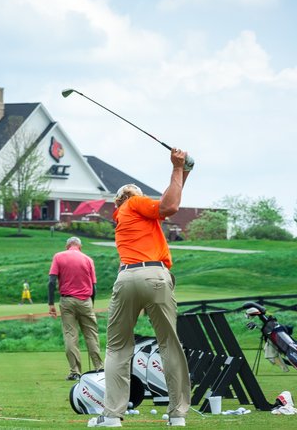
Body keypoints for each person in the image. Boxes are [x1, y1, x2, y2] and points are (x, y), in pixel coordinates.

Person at [88, 148, 192, 428]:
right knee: (169, 345)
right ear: (130, 197)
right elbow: (170, 207)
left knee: (118, 348)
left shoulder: (124, 215)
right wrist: (175, 167)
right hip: (156, 275)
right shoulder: (135, 204)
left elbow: (171, 198)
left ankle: (111, 416)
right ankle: (177, 415)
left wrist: (183, 171)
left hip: (126, 278)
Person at [49, 236, 103, 381]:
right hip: (85, 300)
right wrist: (91, 304)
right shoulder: (88, 259)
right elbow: (94, 287)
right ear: (80, 246)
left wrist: (50, 304)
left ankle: (75, 372)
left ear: (67, 246)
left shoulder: (58, 257)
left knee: (70, 335)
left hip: (67, 300)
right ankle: (99, 367)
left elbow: (52, 281)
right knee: (91, 334)